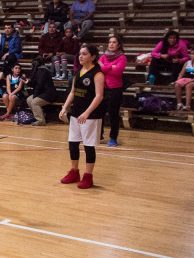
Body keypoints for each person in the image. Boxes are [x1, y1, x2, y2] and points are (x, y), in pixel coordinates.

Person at [59, 44, 105, 190]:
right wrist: (65, 107)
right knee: (73, 143)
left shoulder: (98, 74)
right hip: (76, 113)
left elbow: (99, 96)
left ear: (92, 56)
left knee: (88, 146)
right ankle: (74, 172)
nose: (81, 56)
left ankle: (88, 176)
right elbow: (73, 92)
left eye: (84, 54)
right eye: (80, 54)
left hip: (90, 116)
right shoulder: (78, 72)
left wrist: (87, 112)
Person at [99, 35, 127, 147]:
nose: (111, 44)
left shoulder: (122, 57)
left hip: (115, 89)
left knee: (113, 114)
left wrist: (105, 67)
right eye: (110, 42)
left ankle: (113, 138)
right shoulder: (103, 56)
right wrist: (111, 66)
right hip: (102, 88)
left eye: (114, 42)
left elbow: (118, 71)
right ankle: (98, 135)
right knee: (98, 112)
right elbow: (98, 68)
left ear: (118, 45)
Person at [26, 58, 57, 126]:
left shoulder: (43, 70)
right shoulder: (37, 70)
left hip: (49, 94)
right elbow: (34, 82)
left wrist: (35, 96)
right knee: (29, 100)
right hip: (41, 93)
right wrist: (28, 82)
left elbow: (40, 84)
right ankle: (41, 114)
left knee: (34, 102)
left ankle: (41, 120)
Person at [174, 47, 194, 111]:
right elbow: (181, 74)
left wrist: (190, 81)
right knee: (177, 84)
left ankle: (188, 106)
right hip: (187, 79)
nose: (191, 55)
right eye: (190, 54)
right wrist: (178, 80)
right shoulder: (187, 63)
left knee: (189, 85)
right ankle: (179, 104)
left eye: (193, 54)